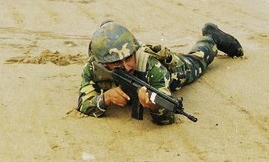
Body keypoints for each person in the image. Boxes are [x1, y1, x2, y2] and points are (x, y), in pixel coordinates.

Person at [77, 21, 243, 124]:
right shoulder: (93, 67)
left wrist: (155, 106)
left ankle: (212, 37)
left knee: (198, 60)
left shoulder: (152, 67)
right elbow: (84, 104)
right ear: (102, 62)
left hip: (175, 72)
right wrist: (105, 98)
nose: (126, 67)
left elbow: (167, 118)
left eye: (129, 58)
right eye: (116, 62)